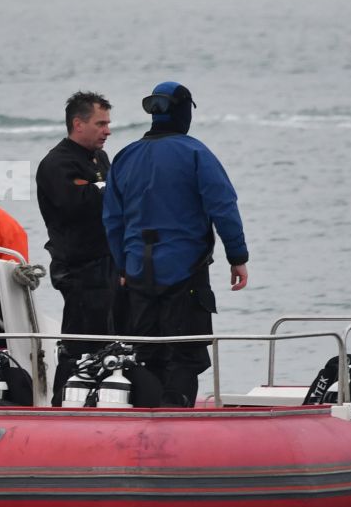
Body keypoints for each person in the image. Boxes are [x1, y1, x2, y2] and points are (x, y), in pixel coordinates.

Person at [103, 81, 249, 407]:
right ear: (184, 112)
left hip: (138, 271)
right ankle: (176, 417)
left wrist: (123, 266)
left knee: (147, 352)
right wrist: (237, 256)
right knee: (187, 353)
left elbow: (112, 220)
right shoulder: (196, 153)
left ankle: (147, 417)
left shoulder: (125, 157)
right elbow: (223, 206)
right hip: (186, 272)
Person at [36, 91, 116, 345]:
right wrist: (102, 190)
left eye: (108, 124)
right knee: (80, 347)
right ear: (78, 124)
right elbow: (79, 204)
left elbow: (116, 200)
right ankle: (65, 385)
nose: (107, 131)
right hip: (78, 271)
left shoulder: (100, 158)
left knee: (114, 343)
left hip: (109, 267)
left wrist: (97, 188)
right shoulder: (57, 163)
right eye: (100, 124)